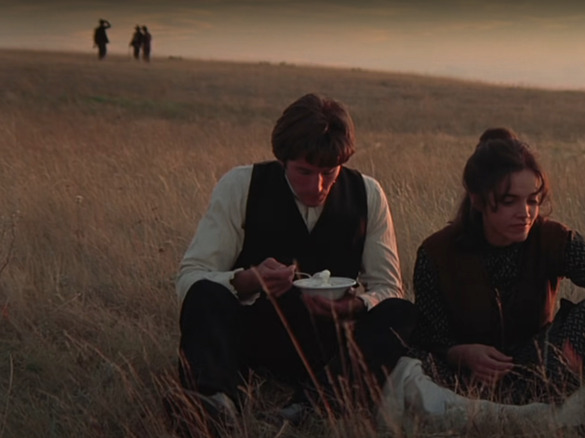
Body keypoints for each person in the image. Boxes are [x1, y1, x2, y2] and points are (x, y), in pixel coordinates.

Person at [408, 128, 585, 435]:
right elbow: (428, 337)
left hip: (543, 364)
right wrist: (462, 353)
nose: (525, 213)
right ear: (478, 200)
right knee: (409, 369)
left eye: (532, 200)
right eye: (510, 201)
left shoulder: (552, 237)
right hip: (471, 380)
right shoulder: (437, 252)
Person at [172, 93, 416, 434]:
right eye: (304, 171)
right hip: (253, 334)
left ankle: (316, 401)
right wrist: (249, 280)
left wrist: (353, 306)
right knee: (205, 293)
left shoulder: (368, 194)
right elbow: (190, 279)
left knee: (400, 314)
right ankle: (214, 402)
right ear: (283, 159)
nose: (317, 186)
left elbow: (389, 289)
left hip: (330, 345)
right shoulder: (241, 185)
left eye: (329, 172)